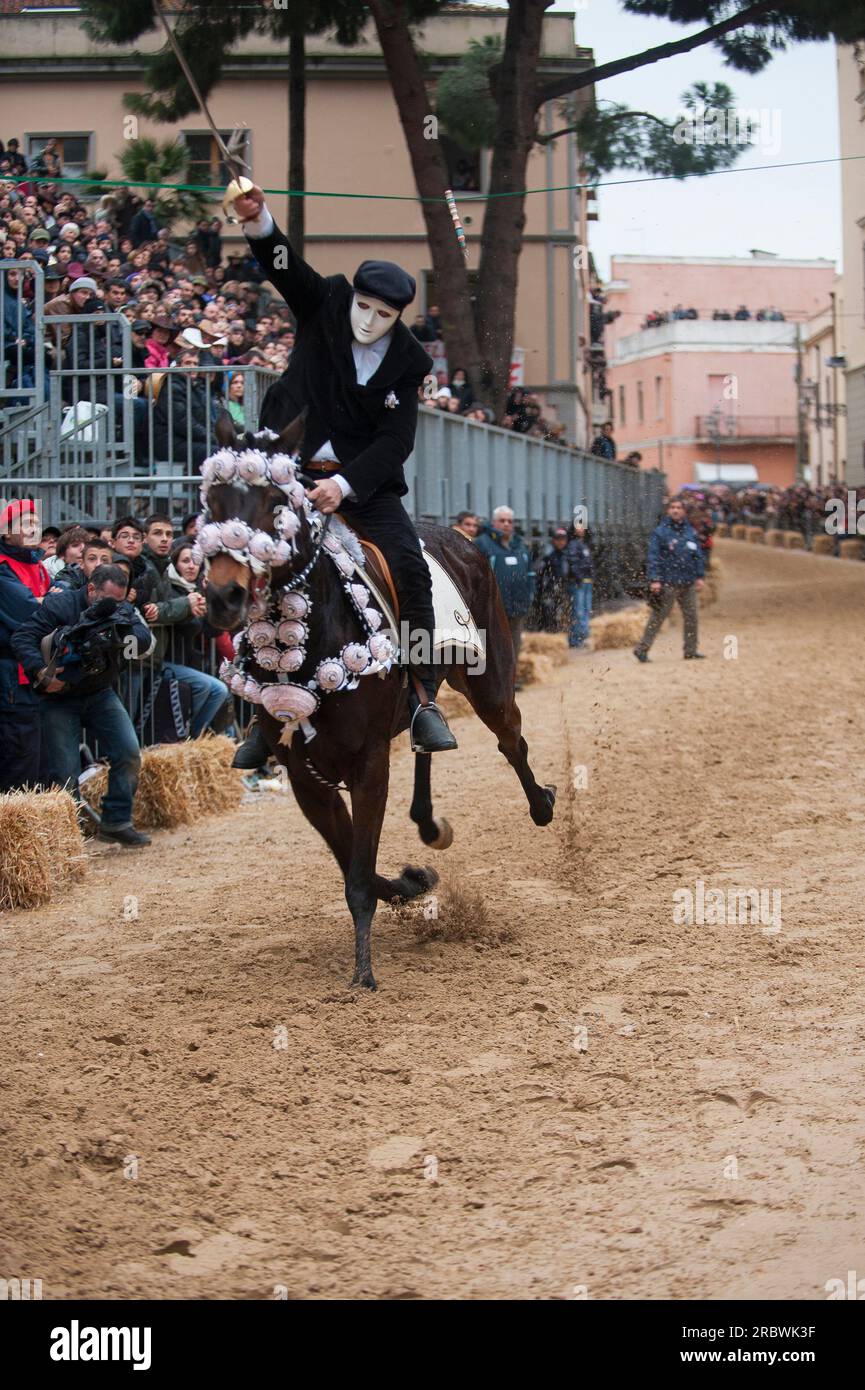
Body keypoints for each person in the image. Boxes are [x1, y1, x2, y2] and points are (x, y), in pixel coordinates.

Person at [231, 179, 456, 757]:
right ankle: (261, 713)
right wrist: (259, 222)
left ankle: (423, 697)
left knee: (410, 566)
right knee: (253, 559)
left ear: (398, 316)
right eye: (363, 306)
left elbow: (396, 439)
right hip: (288, 474)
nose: (367, 320)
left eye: (383, 314)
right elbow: (285, 268)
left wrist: (345, 484)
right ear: (351, 295)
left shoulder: (410, 361)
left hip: (363, 486)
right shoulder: (326, 299)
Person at [12, 563, 154, 846]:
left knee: (128, 753)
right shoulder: (61, 605)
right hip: (59, 697)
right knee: (65, 771)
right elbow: (22, 637)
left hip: (100, 692)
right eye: (106, 600)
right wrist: (40, 671)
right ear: (90, 589)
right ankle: (70, 836)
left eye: (118, 600)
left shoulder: (121, 607)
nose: (112, 606)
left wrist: (118, 637)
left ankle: (116, 821)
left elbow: (143, 637)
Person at [140, 514, 230, 735]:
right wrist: (189, 608)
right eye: (185, 561)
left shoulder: (196, 591)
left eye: (196, 562)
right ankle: (192, 735)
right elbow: (161, 615)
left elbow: (213, 630)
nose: (191, 566)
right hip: (160, 661)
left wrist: (210, 599)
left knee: (219, 690)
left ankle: (197, 736)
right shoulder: (168, 583)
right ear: (176, 563)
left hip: (185, 662)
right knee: (212, 687)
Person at [0, 499, 50, 790]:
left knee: (38, 760)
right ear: (6, 533)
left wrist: (49, 603)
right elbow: (29, 612)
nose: (33, 528)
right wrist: (51, 603)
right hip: (12, 679)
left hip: (37, 673)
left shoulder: (40, 567)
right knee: (18, 758)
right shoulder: (3, 568)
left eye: (35, 522)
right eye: (24, 522)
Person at [634, 498, 705, 663]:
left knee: (692, 617)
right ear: (668, 511)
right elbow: (653, 557)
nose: (675, 510)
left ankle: (691, 650)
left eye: (679, 507)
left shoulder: (690, 532)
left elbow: (698, 556)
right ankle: (642, 649)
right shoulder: (660, 532)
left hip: (688, 582)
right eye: (672, 507)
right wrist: (655, 579)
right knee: (658, 617)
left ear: (684, 511)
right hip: (668, 582)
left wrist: (700, 576)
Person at [475, 506, 534, 661]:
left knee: (515, 645)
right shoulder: (482, 543)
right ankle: (495, 683)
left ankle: (512, 680)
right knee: (495, 647)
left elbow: (530, 574)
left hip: (518, 606)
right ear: (494, 523)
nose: (506, 524)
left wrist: (529, 596)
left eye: (509, 521)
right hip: (494, 608)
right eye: (502, 520)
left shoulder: (520, 544)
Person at [566, 522, 594, 648]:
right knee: (579, 611)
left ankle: (580, 638)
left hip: (587, 581)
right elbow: (573, 562)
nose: (581, 529)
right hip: (579, 582)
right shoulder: (573, 544)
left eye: (582, 526)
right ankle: (577, 639)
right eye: (578, 526)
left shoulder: (585, 544)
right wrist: (579, 577)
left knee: (586, 610)